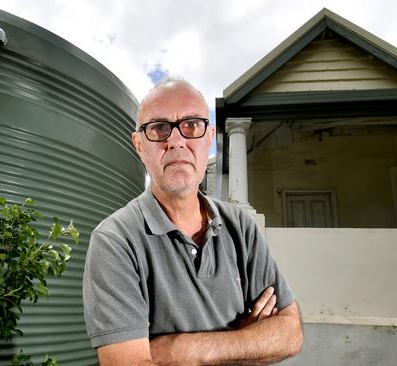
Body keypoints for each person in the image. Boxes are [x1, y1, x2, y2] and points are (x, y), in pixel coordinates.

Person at [83, 77, 302, 365]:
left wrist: (181, 350)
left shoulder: (241, 227)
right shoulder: (115, 241)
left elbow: (290, 333)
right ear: (138, 145)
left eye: (192, 125)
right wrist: (247, 341)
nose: (176, 141)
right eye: (159, 128)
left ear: (209, 138)